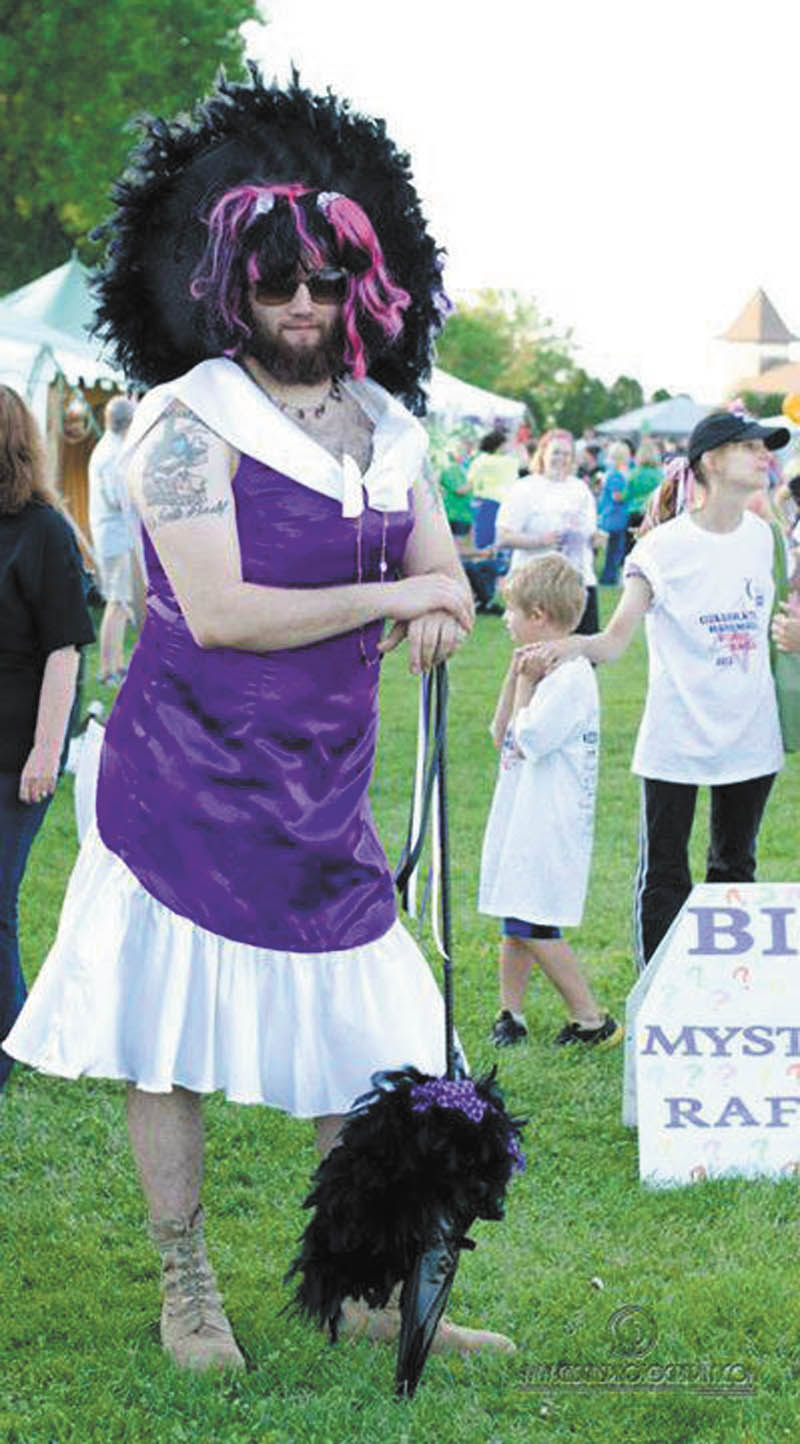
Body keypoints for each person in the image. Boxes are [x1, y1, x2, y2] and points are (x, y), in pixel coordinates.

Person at [4, 72, 514, 1370]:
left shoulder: (395, 427)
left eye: (323, 284)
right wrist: (400, 588)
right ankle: (189, 1289)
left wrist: (441, 611)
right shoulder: (184, 423)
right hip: (182, 793)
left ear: (363, 291)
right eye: (276, 284)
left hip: (323, 798)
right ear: (236, 288)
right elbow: (223, 611)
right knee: (163, 1039)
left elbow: (450, 575)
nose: (301, 306)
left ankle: (367, 1287)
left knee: (379, 1047)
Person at [534, 410, 790, 971]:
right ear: (712, 461)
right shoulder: (661, 550)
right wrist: (574, 646)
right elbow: (616, 638)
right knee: (667, 874)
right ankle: (659, 995)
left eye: (765, 448)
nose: (764, 456)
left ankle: (725, 990)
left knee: (735, 869)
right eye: (752, 447)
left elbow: (783, 623)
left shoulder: (765, 539)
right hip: (677, 737)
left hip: (751, 732)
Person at [479, 555, 621, 1050]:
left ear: (538, 614)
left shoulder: (571, 677)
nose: (505, 621)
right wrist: (514, 677)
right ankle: (510, 1011)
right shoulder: (540, 670)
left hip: (548, 817)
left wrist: (525, 685)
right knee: (515, 917)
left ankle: (590, 1019)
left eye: (512, 612)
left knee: (532, 921)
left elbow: (531, 739)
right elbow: (502, 734)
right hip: (521, 812)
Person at [0, 386, 95, 1092]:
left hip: (14, 754)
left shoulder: (44, 531)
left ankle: (9, 1045)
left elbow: (65, 650)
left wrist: (45, 752)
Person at [496, 428, 600, 633]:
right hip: (538, 585)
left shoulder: (580, 488)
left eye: (566, 454)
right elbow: (503, 536)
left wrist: (596, 539)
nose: (561, 459)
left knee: (585, 655)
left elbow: (589, 532)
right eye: (556, 452)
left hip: (580, 581)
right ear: (543, 454)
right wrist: (541, 540)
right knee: (543, 655)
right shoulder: (525, 488)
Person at [88, 396, 136, 683]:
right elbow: (117, 498)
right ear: (127, 423)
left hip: (114, 536)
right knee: (117, 604)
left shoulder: (109, 448)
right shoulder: (112, 454)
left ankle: (116, 664)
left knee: (119, 603)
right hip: (116, 537)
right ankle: (108, 670)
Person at [597, 440, 631, 585]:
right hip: (615, 517)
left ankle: (609, 576)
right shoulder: (616, 475)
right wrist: (631, 492)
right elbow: (617, 496)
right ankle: (608, 578)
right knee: (615, 551)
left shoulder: (610, 473)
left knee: (613, 550)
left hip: (611, 516)